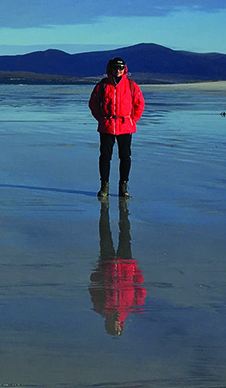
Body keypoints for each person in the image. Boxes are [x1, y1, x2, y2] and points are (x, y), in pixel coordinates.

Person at [87, 57, 144, 199]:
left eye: (120, 68)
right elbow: (93, 104)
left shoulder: (131, 85)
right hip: (107, 127)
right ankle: (104, 186)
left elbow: (139, 104)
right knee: (105, 157)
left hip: (125, 127)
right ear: (110, 69)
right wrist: (102, 119)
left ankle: (123, 186)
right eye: (115, 68)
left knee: (125, 157)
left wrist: (132, 120)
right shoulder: (102, 85)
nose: (118, 71)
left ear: (125, 69)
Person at [89, 199, 146, 336]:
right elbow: (139, 287)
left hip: (107, 263)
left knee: (105, 233)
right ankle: (123, 210)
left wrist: (99, 270)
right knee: (125, 233)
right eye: (117, 328)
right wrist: (135, 269)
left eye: (112, 328)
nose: (114, 325)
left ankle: (105, 209)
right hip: (126, 264)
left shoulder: (100, 308)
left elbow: (94, 286)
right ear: (121, 326)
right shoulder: (130, 308)